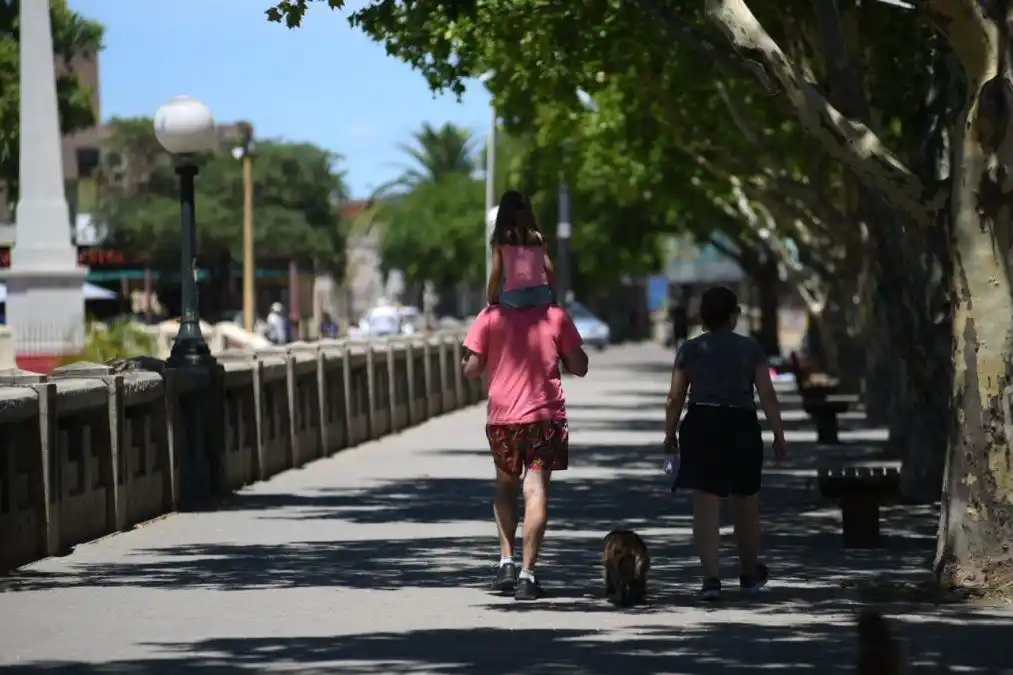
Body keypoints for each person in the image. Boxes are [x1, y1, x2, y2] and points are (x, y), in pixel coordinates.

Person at [662, 285, 787, 601]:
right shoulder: (750, 349)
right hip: (741, 424)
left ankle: (711, 579)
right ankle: (748, 573)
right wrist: (778, 434)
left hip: (702, 423)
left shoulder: (689, 350)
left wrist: (669, 433)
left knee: (705, 504)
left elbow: (676, 395)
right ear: (733, 316)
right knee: (746, 503)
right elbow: (767, 394)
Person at [461, 302, 589, 600]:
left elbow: (470, 369)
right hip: (544, 418)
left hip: (504, 418)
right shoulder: (554, 315)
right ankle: (527, 577)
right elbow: (580, 367)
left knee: (505, 487)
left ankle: (506, 563)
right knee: (536, 492)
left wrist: (480, 355)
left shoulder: (490, 315)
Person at [486, 190, 556, 308]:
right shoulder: (537, 237)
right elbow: (548, 268)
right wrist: (554, 296)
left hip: (514, 296)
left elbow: (497, 271)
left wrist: (491, 296)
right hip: (541, 295)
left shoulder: (501, 239)